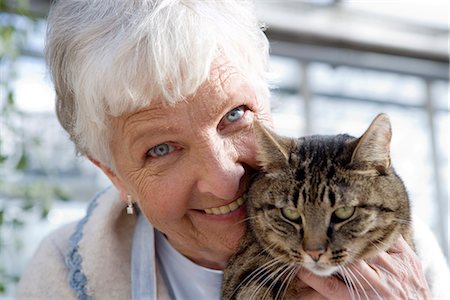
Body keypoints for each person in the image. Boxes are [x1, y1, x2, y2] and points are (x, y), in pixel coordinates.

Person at [17, 0, 449, 299]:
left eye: (234, 115)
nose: (225, 181)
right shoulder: (62, 274)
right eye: (162, 148)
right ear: (114, 175)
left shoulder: (407, 251)